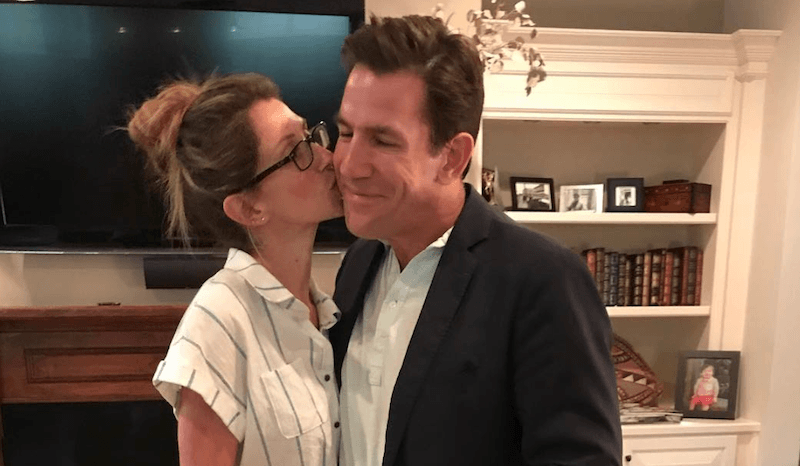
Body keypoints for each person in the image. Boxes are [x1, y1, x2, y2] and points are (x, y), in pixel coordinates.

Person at [329, 15, 622, 466]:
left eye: (383, 141)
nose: (349, 165)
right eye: (346, 133)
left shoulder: (542, 280)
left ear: (453, 156)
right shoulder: (359, 261)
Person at [127, 73, 342, 466]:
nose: (328, 158)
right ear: (248, 208)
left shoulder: (329, 313)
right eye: (296, 150)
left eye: (311, 135)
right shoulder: (218, 325)